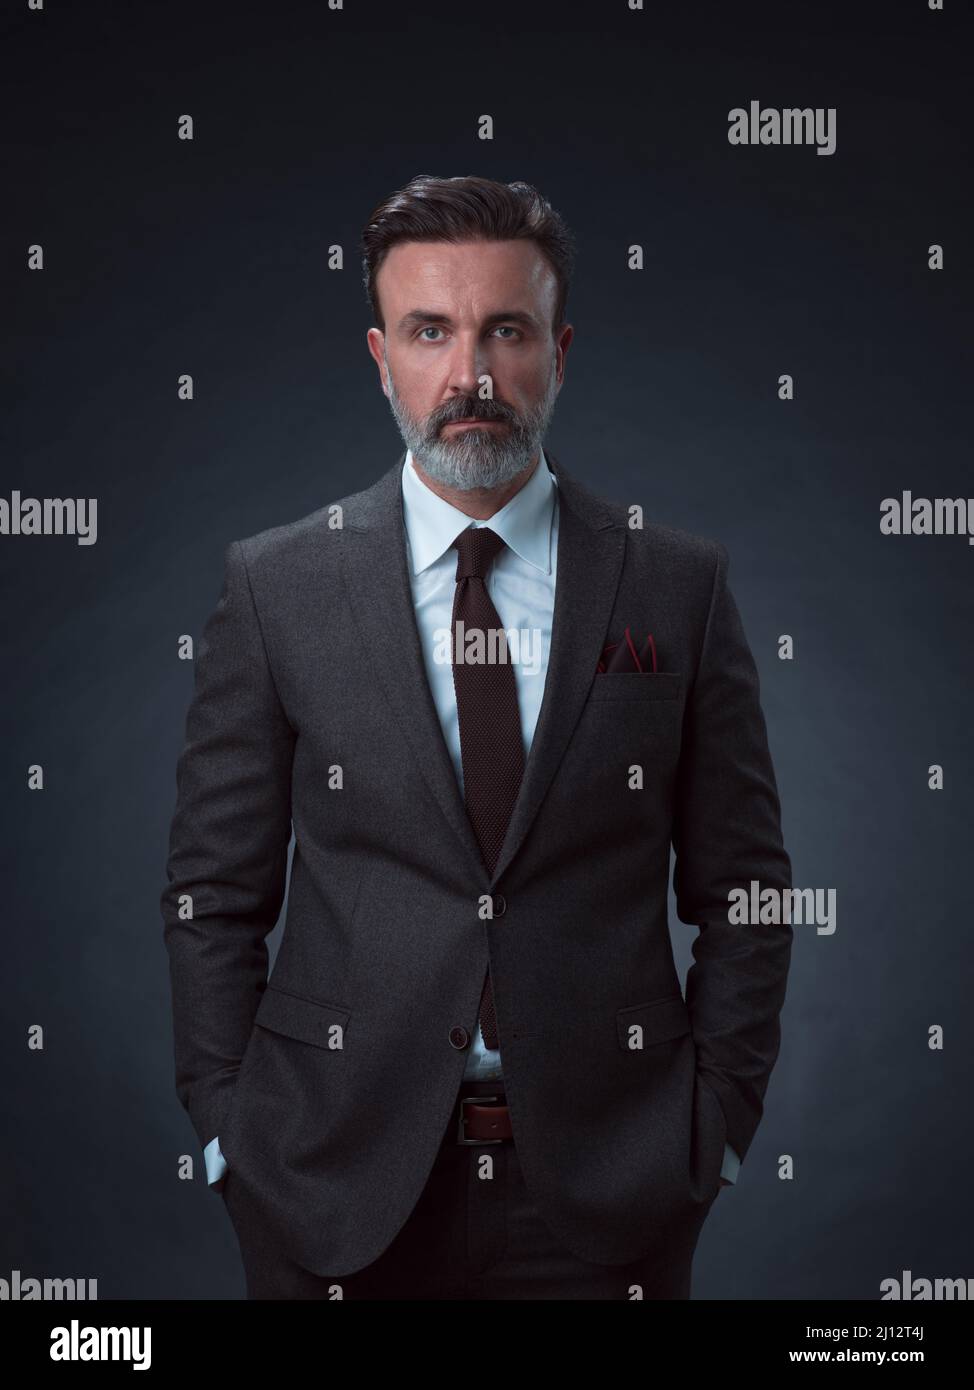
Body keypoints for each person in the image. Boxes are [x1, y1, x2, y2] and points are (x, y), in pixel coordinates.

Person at [161, 174, 792, 1299]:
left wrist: (715, 1130)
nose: (470, 377)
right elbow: (214, 892)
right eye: (429, 332)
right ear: (379, 353)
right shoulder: (274, 587)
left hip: (608, 1195)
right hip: (329, 1184)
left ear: (558, 347)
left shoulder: (674, 586)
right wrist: (229, 1136)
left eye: (504, 330)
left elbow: (744, 887)